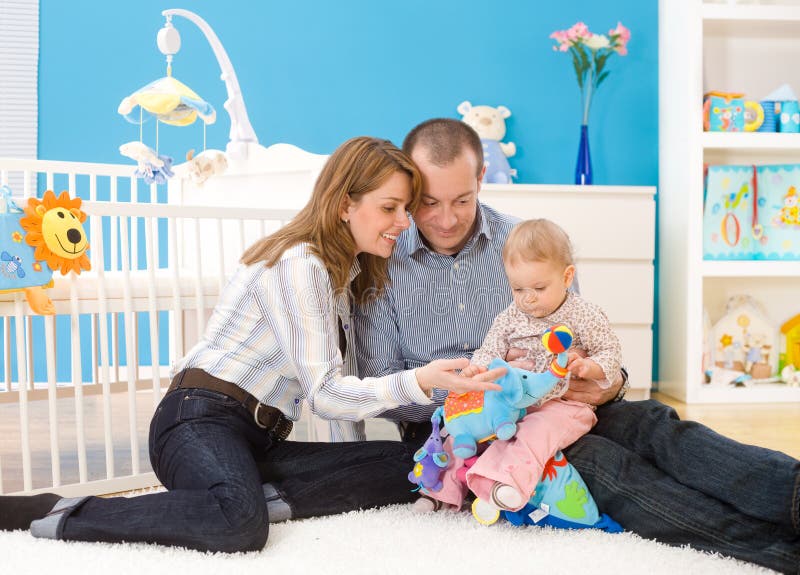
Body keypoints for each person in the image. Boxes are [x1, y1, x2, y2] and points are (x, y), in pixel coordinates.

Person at [0, 136, 506, 553]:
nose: (404, 222)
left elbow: (342, 392)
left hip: (260, 437)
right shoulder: (300, 263)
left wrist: (348, 464)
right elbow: (327, 395)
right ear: (344, 204)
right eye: (391, 208)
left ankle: (247, 493)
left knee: (415, 467)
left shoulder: (346, 272)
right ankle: (57, 511)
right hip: (197, 421)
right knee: (241, 527)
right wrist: (421, 381)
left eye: (404, 208)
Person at [349, 119, 799, 574]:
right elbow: (385, 391)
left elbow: (584, 339)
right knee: (605, 464)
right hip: (475, 436)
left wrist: (607, 384)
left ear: (481, 178)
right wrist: (493, 390)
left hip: (562, 403)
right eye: (429, 203)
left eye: (462, 201)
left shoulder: (531, 242)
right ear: (411, 188)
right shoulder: (384, 262)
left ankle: (794, 496)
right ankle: (777, 549)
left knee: (654, 423)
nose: (446, 219)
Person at [415, 218, 622, 524]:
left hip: (565, 404)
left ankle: (503, 484)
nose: (528, 297)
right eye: (518, 288)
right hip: (517, 400)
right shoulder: (511, 316)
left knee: (533, 435)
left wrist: (589, 367)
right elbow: (490, 349)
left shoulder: (584, 315)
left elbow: (611, 352)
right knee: (462, 428)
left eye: (539, 287)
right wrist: (476, 370)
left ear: (566, 277)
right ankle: (438, 491)